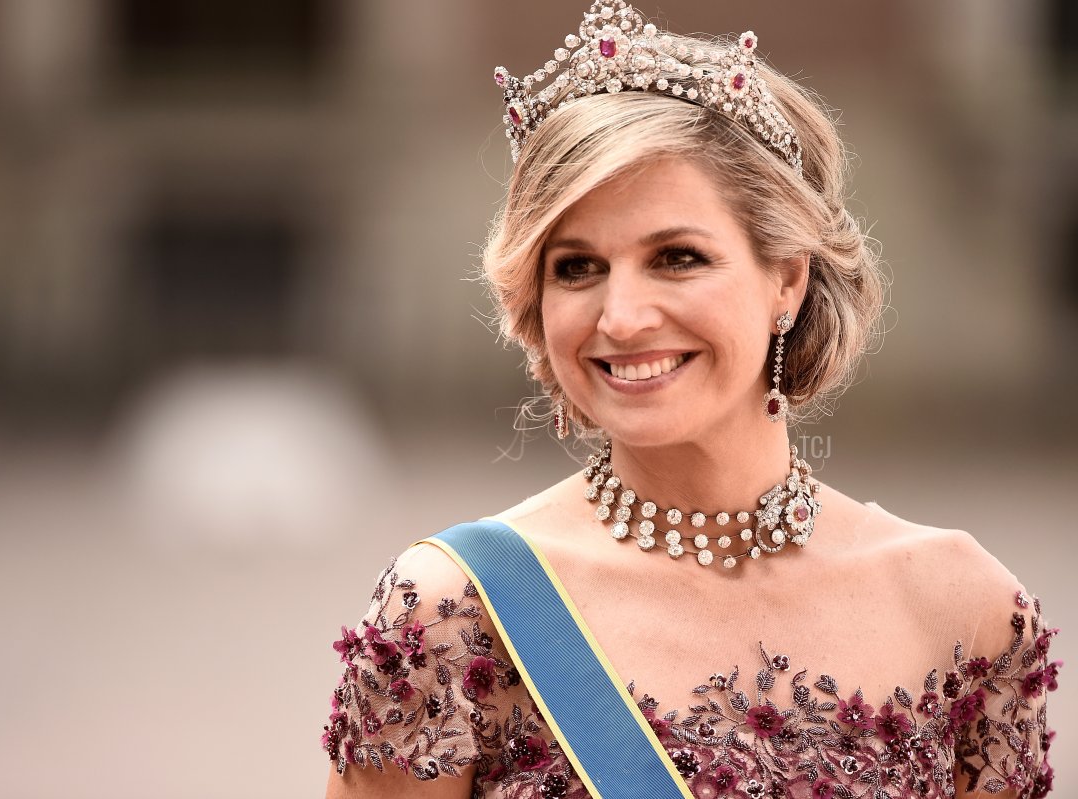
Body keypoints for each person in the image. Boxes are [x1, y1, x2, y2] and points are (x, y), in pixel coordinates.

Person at [321, 3, 1061, 798]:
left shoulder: (963, 610)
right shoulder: (452, 615)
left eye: (676, 257)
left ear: (787, 278)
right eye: (576, 267)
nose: (620, 317)